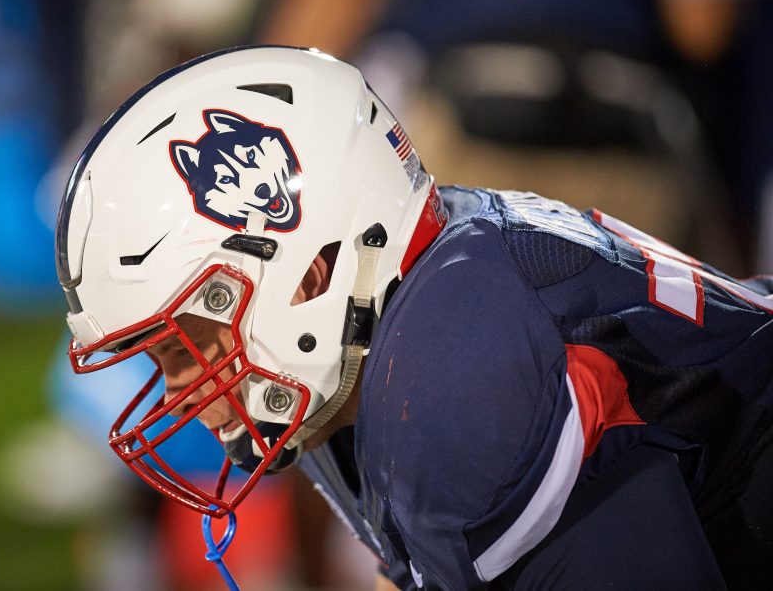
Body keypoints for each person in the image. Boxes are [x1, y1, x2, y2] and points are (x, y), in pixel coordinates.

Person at [53, 46, 773, 590]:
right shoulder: (374, 345)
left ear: (306, 269)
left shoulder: (454, 374)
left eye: (189, 343)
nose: (179, 387)